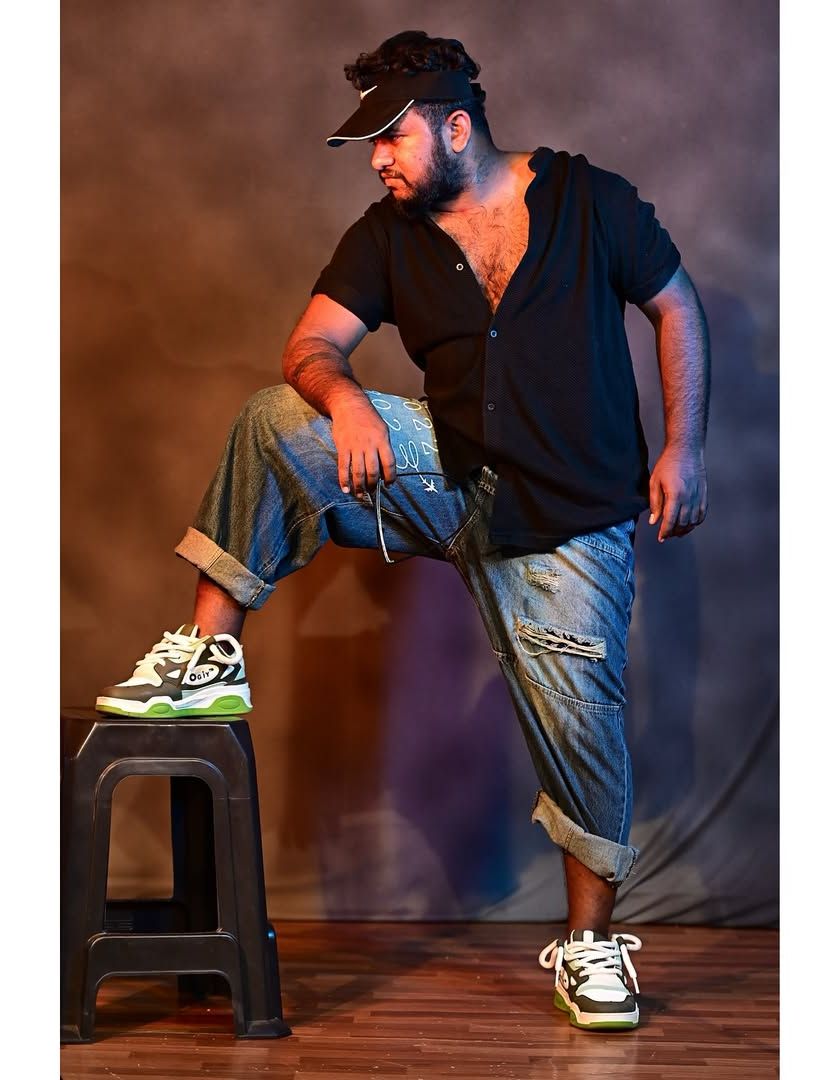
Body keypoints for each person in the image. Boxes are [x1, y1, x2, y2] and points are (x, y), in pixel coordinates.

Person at [96, 31, 709, 1031]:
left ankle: (591, 948)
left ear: (456, 127)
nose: (377, 160)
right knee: (277, 419)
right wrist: (344, 400)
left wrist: (683, 447)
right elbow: (311, 344)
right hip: (450, 479)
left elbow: (675, 305)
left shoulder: (591, 201)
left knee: (583, 729)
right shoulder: (386, 234)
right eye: (369, 144)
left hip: (571, 521)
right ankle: (209, 655)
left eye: (392, 137)